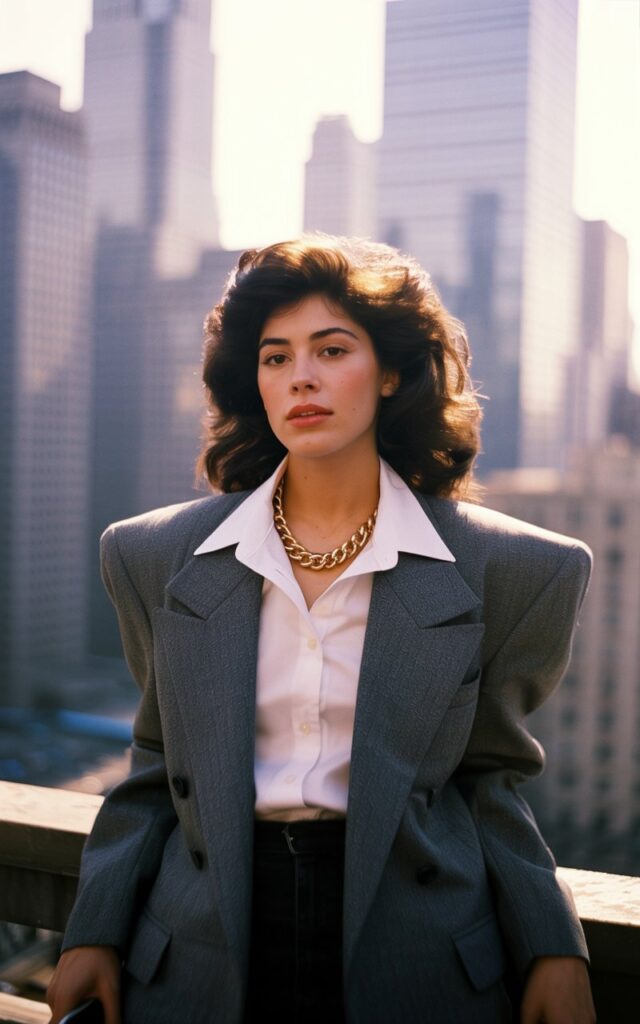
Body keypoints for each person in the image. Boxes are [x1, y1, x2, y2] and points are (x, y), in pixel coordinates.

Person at [47, 235, 596, 1024]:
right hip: (201, 948)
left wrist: (553, 945)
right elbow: (159, 764)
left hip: (417, 949)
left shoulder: (516, 571)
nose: (300, 375)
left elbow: (489, 780)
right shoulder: (151, 554)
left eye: (331, 349)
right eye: (276, 357)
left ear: (394, 371)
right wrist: (91, 930)